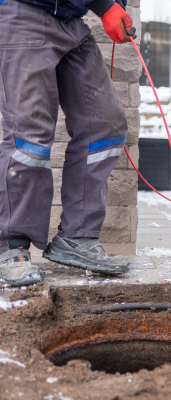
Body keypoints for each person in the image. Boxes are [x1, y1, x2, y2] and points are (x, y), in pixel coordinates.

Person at [0, 0, 137, 286]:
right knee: (30, 134)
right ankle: (9, 246)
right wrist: (104, 5)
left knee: (104, 124)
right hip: (24, 11)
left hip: (71, 21)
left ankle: (77, 237)